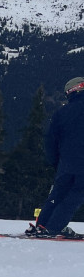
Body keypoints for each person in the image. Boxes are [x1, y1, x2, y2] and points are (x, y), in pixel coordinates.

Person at [27, 77, 84, 239]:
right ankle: (53, 228)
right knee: (75, 195)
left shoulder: (61, 113)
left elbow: (50, 142)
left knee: (57, 194)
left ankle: (41, 225)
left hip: (65, 164)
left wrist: (57, 163)